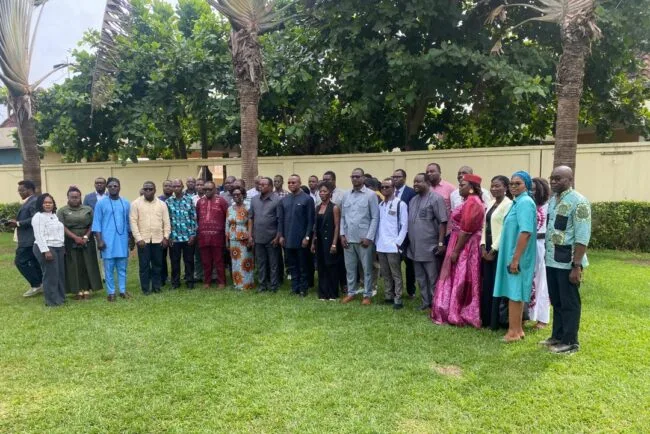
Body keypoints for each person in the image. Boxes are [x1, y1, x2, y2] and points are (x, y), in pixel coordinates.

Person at [542, 166, 591, 354]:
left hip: (568, 262)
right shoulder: (553, 200)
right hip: (551, 260)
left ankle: (570, 341)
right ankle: (557, 336)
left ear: (570, 180)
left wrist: (576, 266)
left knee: (569, 302)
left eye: (558, 178)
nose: (553, 181)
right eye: (552, 178)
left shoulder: (579, 202)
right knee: (557, 300)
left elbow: (582, 237)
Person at [432, 174, 485, 328]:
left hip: (465, 244)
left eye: (462, 185)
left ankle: (458, 311)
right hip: (460, 239)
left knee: (462, 275)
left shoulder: (473, 202)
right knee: (457, 274)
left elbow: (467, 230)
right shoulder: (469, 200)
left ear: (471, 188)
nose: (459, 188)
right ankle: (453, 308)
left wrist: (456, 251)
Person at [493, 171, 537, 342]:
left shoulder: (525, 202)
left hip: (517, 255)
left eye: (518, 183)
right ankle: (518, 330)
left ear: (526, 185)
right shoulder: (517, 202)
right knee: (515, 293)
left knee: (514, 292)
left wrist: (516, 258)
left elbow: (526, 232)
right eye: (511, 183)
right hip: (513, 254)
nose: (513, 186)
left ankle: (513, 332)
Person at [407, 174, 448, 311]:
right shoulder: (413, 200)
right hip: (414, 248)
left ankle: (436, 304)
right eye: (414, 181)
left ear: (427, 183)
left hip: (430, 247)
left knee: (432, 277)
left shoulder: (436, 199)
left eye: (419, 182)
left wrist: (440, 243)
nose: (415, 184)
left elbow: (443, 222)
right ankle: (425, 302)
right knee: (420, 277)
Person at [340, 168, 379, 305]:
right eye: (353, 176)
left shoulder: (371, 195)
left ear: (363, 178)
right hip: (348, 238)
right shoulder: (346, 195)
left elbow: (375, 217)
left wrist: (369, 237)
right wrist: (342, 235)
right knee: (350, 268)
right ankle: (351, 292)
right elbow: (343, 217)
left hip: (364, 239)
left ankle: (367, 294)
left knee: (367, 268)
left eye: (358, 176)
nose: (355, 179)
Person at [480, 175, 513, 329]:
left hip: (498, 249)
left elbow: (505, 229)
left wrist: (493, 249)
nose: (494, 189)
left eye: (497, 186)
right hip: (486, 248)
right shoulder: (491, 203)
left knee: (496, 284)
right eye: (492, 186)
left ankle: (496, 321)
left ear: (506, 187)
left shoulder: (509, 204)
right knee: (487, 283)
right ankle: (486, 319)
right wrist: (482, 246)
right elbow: (484, 226)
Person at [57, 187, 102, 300]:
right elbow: (61, 226)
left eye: (77, 197)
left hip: (87, 240)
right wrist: (75, 238)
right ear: (68, 197)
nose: (74, 199)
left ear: (80, 197)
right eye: (72, 197)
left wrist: (86, 236)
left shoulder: (88, 209)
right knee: (73, 265)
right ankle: (76, 290)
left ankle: (87, 289)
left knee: (88, 264)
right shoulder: (62, 211)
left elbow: (93, 224)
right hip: (70, 241)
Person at [92, 177, 133, 302]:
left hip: (122, 240)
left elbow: (129, 223)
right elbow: (96, 223)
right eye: (110, 186)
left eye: (115, 186)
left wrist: (131, 238)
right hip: (107, 241)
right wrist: (99, 240)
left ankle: (122, 290)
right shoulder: (101, 203)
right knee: (109, 269)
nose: (113, 188)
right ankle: (111, 292)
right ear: (107, 188)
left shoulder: (126, 203)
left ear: (119, 187)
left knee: (122, 268)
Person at [129, 181, 170, 295]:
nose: (148, 191)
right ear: (143, 190)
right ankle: (145, 289)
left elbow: (166, 222)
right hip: (143, 241)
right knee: (144, 266)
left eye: (150, 189)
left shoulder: (162, 204)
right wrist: (138, 239)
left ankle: (156, 287)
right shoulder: (135, 204)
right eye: (145, 189)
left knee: (158, 265)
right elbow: (133, 222)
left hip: (158, 240)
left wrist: (166, 237)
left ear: (155, 190)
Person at [278, 175, 315, 296]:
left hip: (302, 239)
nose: (291, 184)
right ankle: (295, 288)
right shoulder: (284, 200)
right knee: (292, 265)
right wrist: (281, 236)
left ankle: (303, 288)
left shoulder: (307, 199)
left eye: (293, 182)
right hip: (288, 239)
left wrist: (307, 237)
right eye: (289, 182)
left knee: (303, 265)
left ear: (299, 183)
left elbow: (311, 221)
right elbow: (281, 220)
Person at [376, 178, 409, 309]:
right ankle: (388, 296)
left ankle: (398, 298)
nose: (384, 189)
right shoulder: (380, 205)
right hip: (381, 245)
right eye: (382, 187)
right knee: (385, 273)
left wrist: (398, 243)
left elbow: (404, 225)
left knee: (396, 274)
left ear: (394, 188)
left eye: (387, 187)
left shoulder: (400, 204)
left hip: (393, 246)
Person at [8, 180, 43, 297]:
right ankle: (41, 283)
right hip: (27, 238)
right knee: (34, 262)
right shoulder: (28, 201)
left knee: (20, 261)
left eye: (22, 190)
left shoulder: (34, 201)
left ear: (30, 190)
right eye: (19, 190)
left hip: (29, 239)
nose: (20, 192)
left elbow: (35, 218)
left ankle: (36, 284)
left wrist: (18, 223)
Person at [32, 193, 66, 307]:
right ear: (40, 204)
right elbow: (39, 235)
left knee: (59, 273)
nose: (48, 204)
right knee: (51, 274)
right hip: (46, 247)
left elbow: (59, 232)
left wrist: (62, 246)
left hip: (58, 247)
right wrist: (45, 251)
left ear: (53, 204)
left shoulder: (54, 215)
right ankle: (52, 301)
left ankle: (60, 298)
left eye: (50, 202)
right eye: (45, 202)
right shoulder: (38, 216)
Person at [311, 181, 344, 300]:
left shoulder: (334, 207)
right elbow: (315, 226)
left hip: (330, 240)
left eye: (324, 191)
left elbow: (337, 226)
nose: (322, 193)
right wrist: (313, 242)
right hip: (319, 241)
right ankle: (323, 293)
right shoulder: (317, 207)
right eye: (320, 191)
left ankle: (332, 293)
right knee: (321, 267)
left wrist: (334, 243)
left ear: (330, 193)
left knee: (331, 266)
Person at [250, 177, 282, 293]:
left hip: (272, 238)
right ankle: (262, 285)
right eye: (259, 184)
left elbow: (280, 220)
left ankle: (274, 286)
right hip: (258, 237)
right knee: (261, 263)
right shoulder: (254, 200)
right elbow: (251, 218)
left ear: (270, 186)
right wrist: (250, 235)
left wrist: (278, 237)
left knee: (273, 264)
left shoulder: (277, 200)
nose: (260, 186)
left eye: (263, 185)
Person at [196, 181, 229, 289]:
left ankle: (221, 282)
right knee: (206, 261)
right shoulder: (200, 202)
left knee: (219, 260)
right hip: (203, 237)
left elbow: (227, 217)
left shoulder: (222, 201)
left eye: (209, 189)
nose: (207, 191)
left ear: (215, 189)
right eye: (205, 189)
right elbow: (198, 217)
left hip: (217, 237)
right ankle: (207, 282)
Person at [528, 177, 551, 329]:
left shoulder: (548, 207)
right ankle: (528, 314)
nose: (532, 192)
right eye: (530, 189)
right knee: (529, 282)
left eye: (535, 189)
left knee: (542, 282)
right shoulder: (528, 205)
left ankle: (542, 318)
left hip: (541, 246)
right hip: (528, 246)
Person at [166, 179, 197, 289]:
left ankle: (190, 281)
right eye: (174, 186)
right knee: (175, 261)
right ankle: (175, 282)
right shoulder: (168, 202)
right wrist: (169, 236)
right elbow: (166, 220)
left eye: (178, 186)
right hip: (174, 238)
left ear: (182, 186)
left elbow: (193, 218)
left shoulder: (189, 200)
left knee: (189, 260)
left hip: (188, 237)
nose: (176, 188)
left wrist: (193, 234)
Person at [392, 169, 416, 299]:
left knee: (409, 264)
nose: (395, 179)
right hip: (392, 234)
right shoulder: (389, 191)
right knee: (394, 264)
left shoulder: (411, 193)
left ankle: (411, 290)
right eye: (394, 177)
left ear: (405, 178)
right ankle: (395, 290)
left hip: (408, 235)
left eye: (398, 177)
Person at [227, 187, 255, 290]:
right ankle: (237, 284)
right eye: (234, 194)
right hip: (233, 238)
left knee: (245, 261)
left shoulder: (248, 207)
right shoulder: (229, 209)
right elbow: (227, 225)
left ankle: (247, 284)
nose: (236, 196)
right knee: (235, 262)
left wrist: (250, 237)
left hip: (245, 238)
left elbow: (251, 223)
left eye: (238, 194)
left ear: (243, 195)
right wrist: (227, 240)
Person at [159, 179, 174, 287]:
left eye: (170, 185)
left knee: (174, 257)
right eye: (166, 185)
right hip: (161, 233)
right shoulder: (158, 200)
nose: (168, 187)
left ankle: (174, 277)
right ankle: (163, 277)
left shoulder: (176, 199)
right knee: (161, 257)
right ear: (163, 187)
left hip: (175, 233)